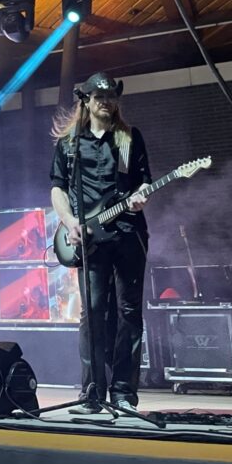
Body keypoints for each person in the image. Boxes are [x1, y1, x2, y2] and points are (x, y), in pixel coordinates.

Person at [50, 72, 151, 414]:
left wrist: (140, 196)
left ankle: (123, 393)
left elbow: (143, 182)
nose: (106, 101)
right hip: (90, 240)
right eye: (100, 96)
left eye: (111, 96)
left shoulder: (129, 138)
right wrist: (69, 221)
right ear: (87, 101)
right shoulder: (69, 144)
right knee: (92, 313)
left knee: (129, 313)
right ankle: (92, 392)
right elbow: (58, 188)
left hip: (128, 234)